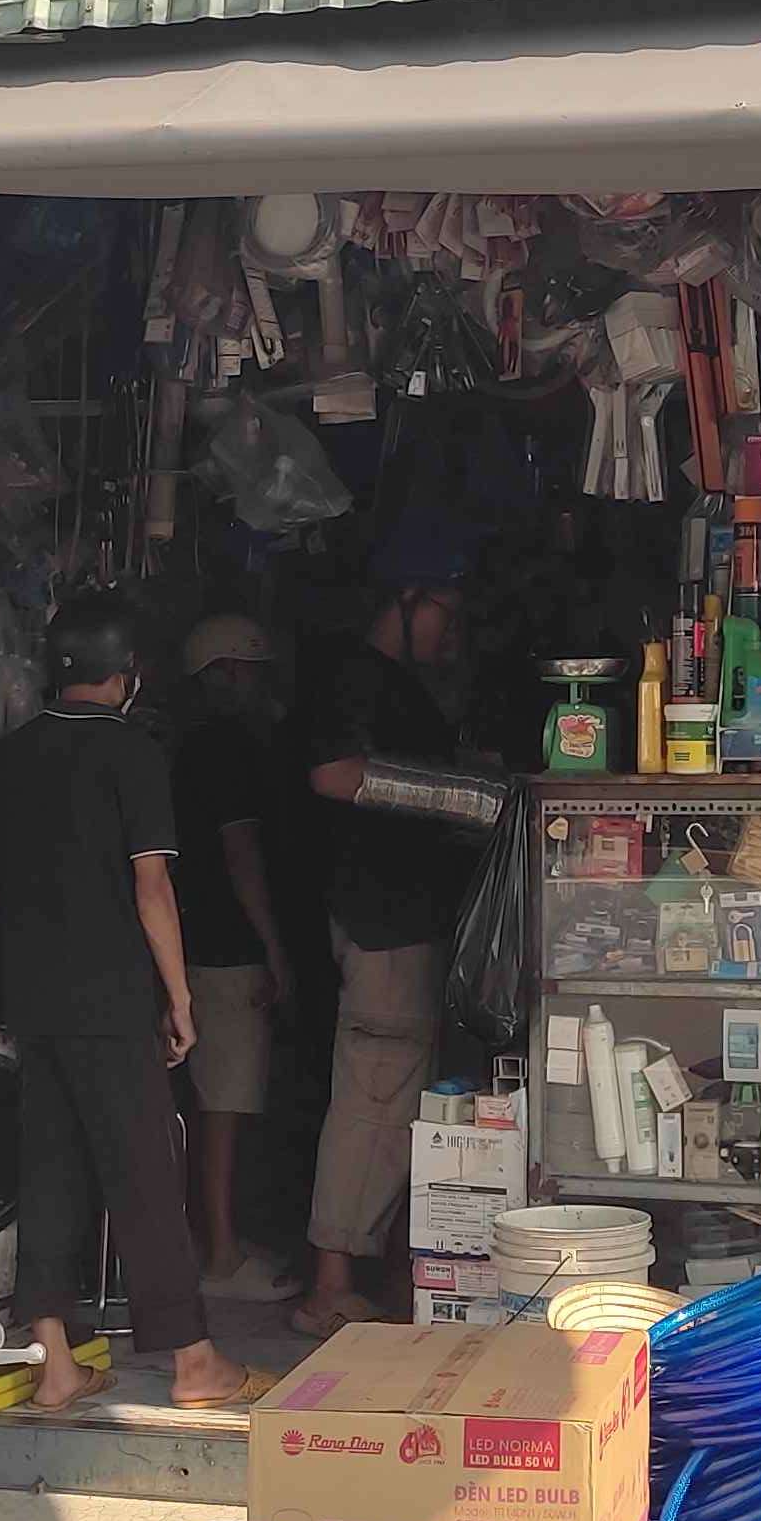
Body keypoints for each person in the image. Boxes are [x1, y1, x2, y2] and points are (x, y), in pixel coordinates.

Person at [0, 590, 259, 1413]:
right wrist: (180, 997)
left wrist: (8, 929)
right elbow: (153, 887)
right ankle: (193, 1362)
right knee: (143, 1169)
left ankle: (55, 1366)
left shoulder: (13, 753)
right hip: (110, 999)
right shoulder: (132, 753)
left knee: (50, 1170)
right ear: (128, 675)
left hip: (32, 997)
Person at [295, 571, 470, 1337]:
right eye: (444, 611)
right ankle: (329, 1285)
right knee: (373, 1098)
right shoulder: (352, 679)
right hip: (381, 925)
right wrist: (475, 797)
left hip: (404, 923)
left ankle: (380, 1270)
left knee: (399, 1104)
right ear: (406, 596)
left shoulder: (395, 683)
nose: (451, 632)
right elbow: (334, 774)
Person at [169, 611, 295, 1292]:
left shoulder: (192, 748)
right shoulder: (226, 751)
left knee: (220, 1100)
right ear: (223, 674)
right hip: (226, 948)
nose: (259, 684)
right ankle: (219, 1255)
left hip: (203, 940)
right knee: (224, 1105)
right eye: (250, 671)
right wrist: (274, 949)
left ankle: (219, 1241)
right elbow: (242, 854)